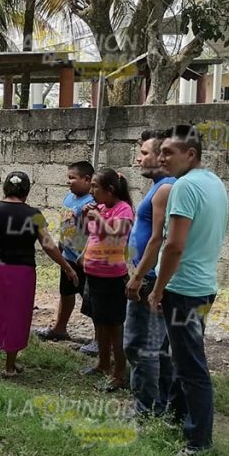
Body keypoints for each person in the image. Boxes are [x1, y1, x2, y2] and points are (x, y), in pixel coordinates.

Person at [147, 124, 229, 456]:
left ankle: (198, 442)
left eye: (168, 152)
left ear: (190, 154)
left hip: (184, 289)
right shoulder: (214, 183)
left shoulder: (183, 187)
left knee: (191, 366)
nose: (161, 158)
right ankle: (175, 416)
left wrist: (157, 288)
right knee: (178, 357)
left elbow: (174, 245)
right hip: (205, 286)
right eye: (160, 151)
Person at [0, 172, 78, 376]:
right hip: (22, 273)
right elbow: (49, 246)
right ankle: (9, 366)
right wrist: (66, 266)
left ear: (4, 189)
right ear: (26, 192)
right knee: (16, 314)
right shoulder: (33, 214)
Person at [123, 130, 176, 417]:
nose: (138, 158)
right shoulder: (159, 186)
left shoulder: (166, 188)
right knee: (157, 343)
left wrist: (139, 275)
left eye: (144, 152)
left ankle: (146, 407)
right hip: (148, 275)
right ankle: (162, 403)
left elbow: (160, 238)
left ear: (161, 156)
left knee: (139, 343)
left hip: (149, 278)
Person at [78, 168, 134, 392]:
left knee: (114, 326)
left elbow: (115, 237)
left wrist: (99, 218)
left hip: (112, 277)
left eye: (95, 187)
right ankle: (102, 363)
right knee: (99, 321)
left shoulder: (124, 209)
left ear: (110, 190)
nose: (91, 191)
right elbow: (92, 235)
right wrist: (86, 216)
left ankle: (119, 372)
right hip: (94, 273)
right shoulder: (99, 207)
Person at [37, 161, 96, 347]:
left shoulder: (92, 202)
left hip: (85, 259)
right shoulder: (69, 198)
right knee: (66, 293)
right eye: (68, 178)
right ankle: (59, 329)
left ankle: (99, 339)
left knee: (91, 299)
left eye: (72, 178)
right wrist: (62, 247)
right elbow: (66, 224)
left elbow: (94, 232)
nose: (68, 182)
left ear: (87, 179)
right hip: (68, 257)